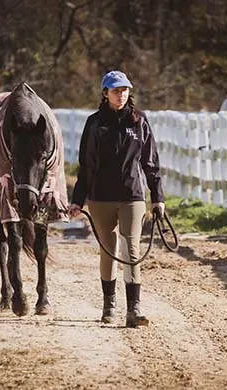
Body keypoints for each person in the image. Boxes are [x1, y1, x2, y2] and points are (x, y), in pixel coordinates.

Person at [68, 70, 165, 328]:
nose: (121, 95)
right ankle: (108, 306)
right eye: (115, 90)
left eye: (124, 90)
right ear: (105, 93)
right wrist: (78, 199)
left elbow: (151, 163)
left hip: (132, 195)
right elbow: (85, 165)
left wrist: (158, 197)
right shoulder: (94, 123)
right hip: (100, 198)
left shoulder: (139, 122)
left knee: (131, 249)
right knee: (108, 251)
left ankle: (134, 309)